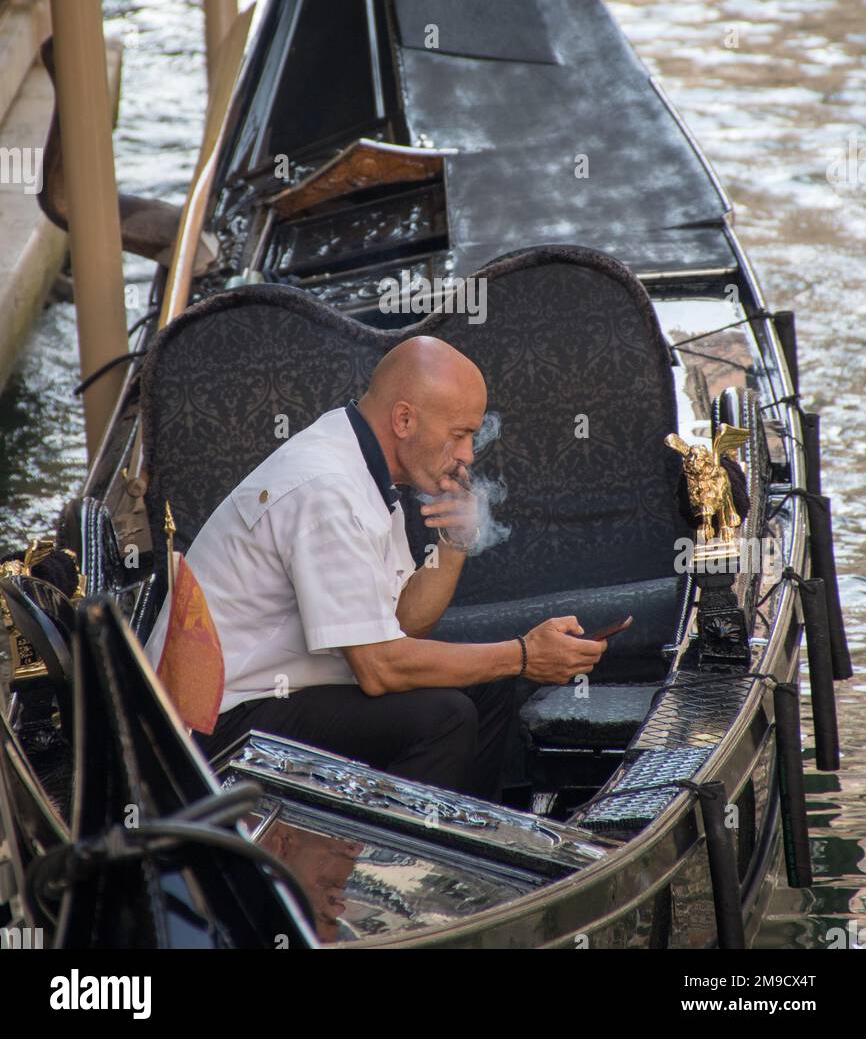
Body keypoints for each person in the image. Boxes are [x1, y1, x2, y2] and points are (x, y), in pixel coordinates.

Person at [144, 335, 607, 802]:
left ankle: (477, 839)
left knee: (486, 687)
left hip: (269, 698)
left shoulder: (364, 462)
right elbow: (379, 668)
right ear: (404, 419)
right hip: (210, 731)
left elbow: (403, 624)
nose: (468, 454)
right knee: (446, 717)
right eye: (459, 434)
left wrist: (454, 543)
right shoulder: (327, 490)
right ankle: (402, 866)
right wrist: (524, 655)